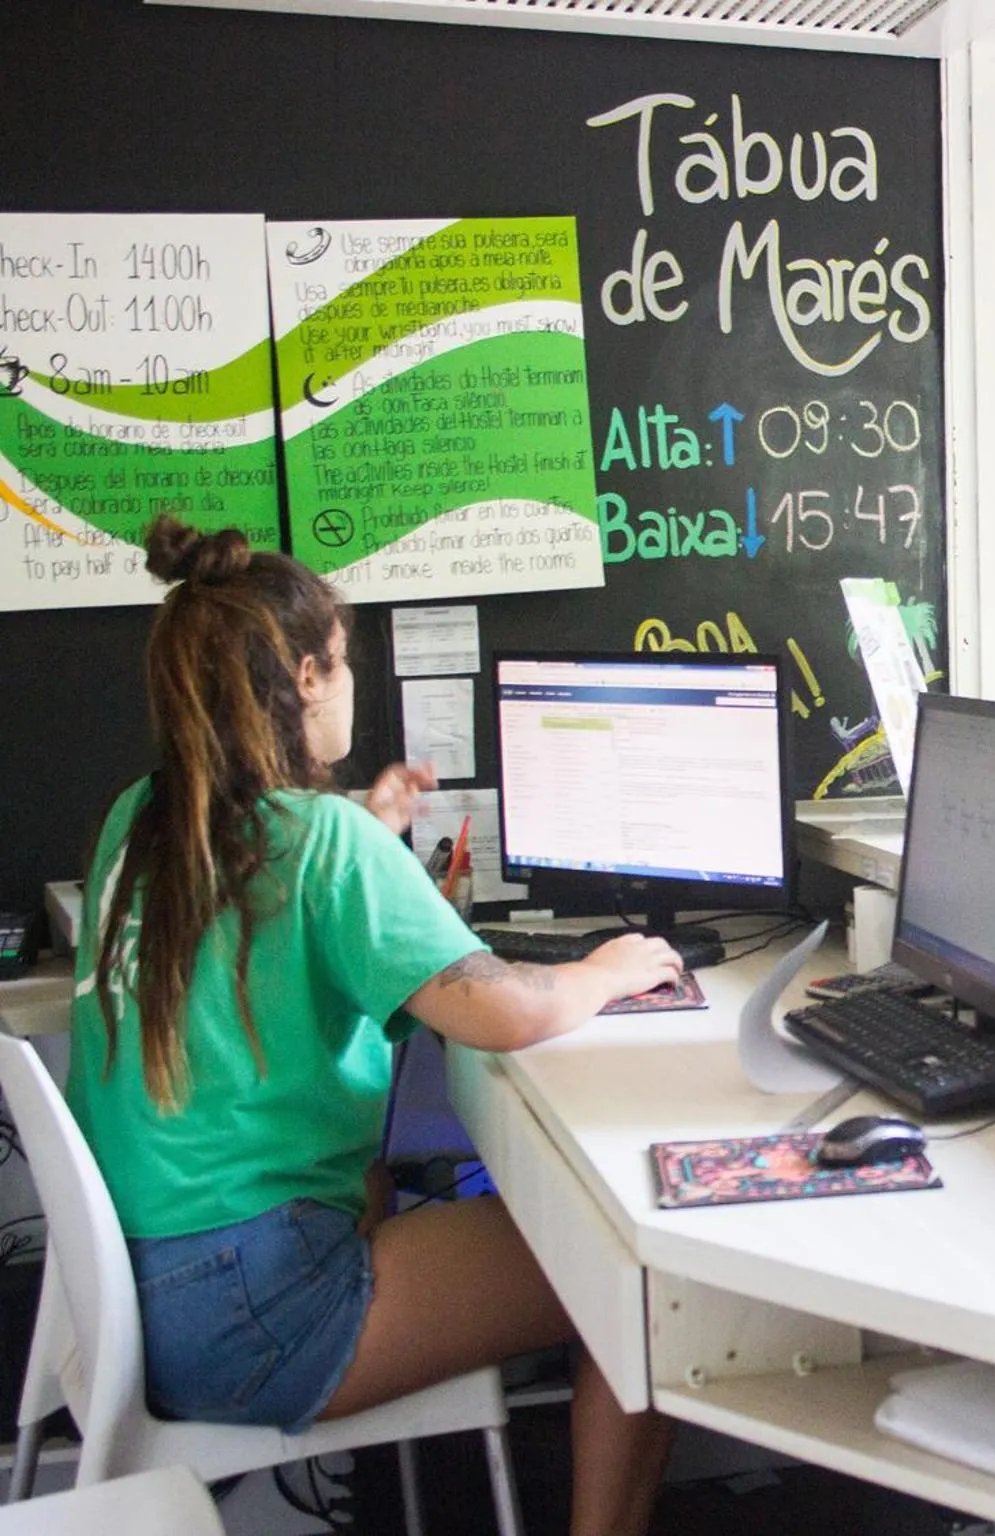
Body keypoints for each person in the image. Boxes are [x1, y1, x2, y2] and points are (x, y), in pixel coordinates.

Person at [71, 519, 681, 1536]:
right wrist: (606, 970)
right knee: (639, 1281)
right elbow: (506, 1010)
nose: (353, 682)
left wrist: (375, 835)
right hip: (252, 1308)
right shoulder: (321, 841)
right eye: (346, 661)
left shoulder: (141, 821)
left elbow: (254, 928)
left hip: (145, 1297)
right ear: (306, 677)